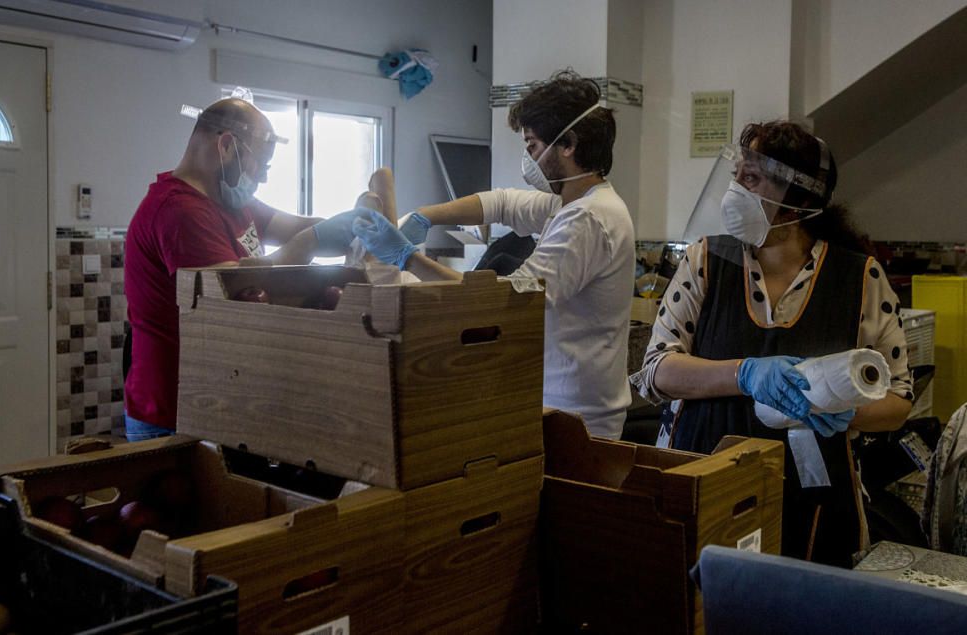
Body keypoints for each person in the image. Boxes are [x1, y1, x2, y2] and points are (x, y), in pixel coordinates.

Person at [632, 121, 913, 567]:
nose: (736, 190)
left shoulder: (859, 278)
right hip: (704, 477)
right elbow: (656, 371)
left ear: (799, 200)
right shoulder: (706, 260)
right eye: (736, 176)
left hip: (815, 498)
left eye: (752, 178)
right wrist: (745, 374)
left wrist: (839, 410)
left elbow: (898, 398)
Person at [352, 70, 636, 439]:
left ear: (567, 144)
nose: (529, 158)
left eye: (533, 145)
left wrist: (407, 258)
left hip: (577, 420)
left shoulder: (588, 218)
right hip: (559, 405)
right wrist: (427, 216)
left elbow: (503, 299)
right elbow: (501, 203)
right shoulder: (571, 205)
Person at [124, 98, 367, 441]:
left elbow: (300, 228)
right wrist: (306, 247)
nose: (264, 177)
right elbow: (233, 295)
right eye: (261, 164)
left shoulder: (231, 202)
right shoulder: (180, 211)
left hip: (212, 398)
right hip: (173, 412)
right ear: (226, 146)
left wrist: (359, 227)